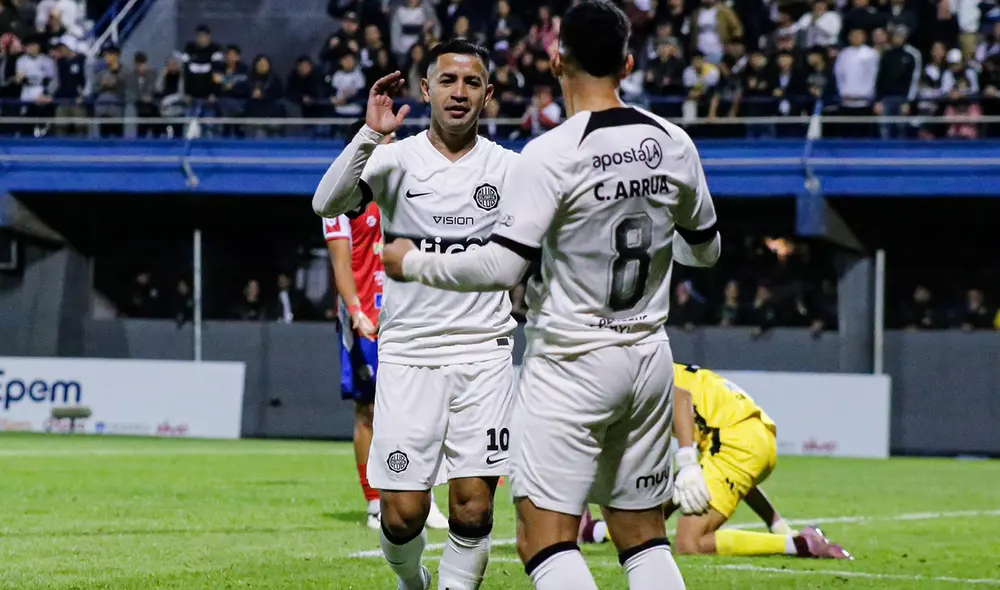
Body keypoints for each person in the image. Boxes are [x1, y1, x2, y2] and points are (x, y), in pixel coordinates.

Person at [382, 2, 720, 587]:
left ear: (557, 61)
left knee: (545, 537)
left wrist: (413, 261)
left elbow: (500, 266)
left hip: (572, 359)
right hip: (648, 356)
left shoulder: (552, 153)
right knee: (642, 534)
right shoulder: (673, 142)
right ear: (629, 64)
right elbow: (705, 252)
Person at [312, 39, 520, 590]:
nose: (459, 92)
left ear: (488, 95)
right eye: (448, 80)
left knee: (473, 507)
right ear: (426, 90)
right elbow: (325, 203)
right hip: (409, 355)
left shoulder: (509, 169)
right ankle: (412, 580)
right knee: (403, 514)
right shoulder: (394, 159)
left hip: (484, 353)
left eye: (472, 82)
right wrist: (368, 135)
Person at [579, 363, 852, 561]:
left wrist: (687, 462)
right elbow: (733, 473)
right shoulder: (658, 366)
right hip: (754, 439)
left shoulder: (637, 376)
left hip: (734, 442)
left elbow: (681, 400)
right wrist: (776, 522)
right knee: (663, 505)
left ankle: (802, 545)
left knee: (690, 542)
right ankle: (595, 531)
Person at [322, 119, 449, 533]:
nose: (391, 145)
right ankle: (375, 502)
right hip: (366, 321)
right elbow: (341, 262)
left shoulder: (406, 188)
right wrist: (355, 309)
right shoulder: (344, 194)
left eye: (393, 138)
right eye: (383, 139)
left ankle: (422, 496)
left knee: (421, 409)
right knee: (370, 410)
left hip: (409, 314)